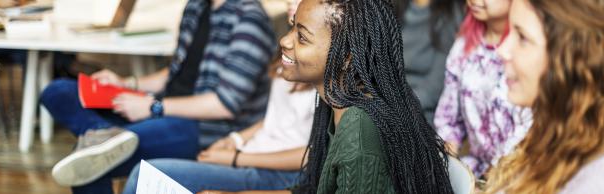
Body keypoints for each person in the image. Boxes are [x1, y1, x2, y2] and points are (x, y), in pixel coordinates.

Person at [202, 0, 454, 193]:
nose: (284, 41)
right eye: (292, 28)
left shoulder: (359, 133)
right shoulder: (336, 102)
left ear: (347, 57)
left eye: (302, 37)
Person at [39, 0, 276, 193]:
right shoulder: (196, 6)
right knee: (58, 92)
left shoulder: (249, 20)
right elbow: (174, 72)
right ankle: (104, 135)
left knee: (86, 163)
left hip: (205, 127)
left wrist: (153, 107)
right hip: (161, 106)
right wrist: (128, 83)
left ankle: (103, 140)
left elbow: (225, 104)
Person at [122, 58, 316, 193]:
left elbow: (314, 153)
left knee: (143, 175)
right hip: (250, 152)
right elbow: (277, 119)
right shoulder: (291, 50)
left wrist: (235, 158)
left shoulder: (326, 79)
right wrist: (234, 139)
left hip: (277, 173)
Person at [485, 0, 604, 193]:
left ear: (572, 59)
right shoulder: (552, 131)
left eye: (522, 37)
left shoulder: (597, 181)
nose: (502, 50)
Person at [433, 0, 532, 177]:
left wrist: (494, 178)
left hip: (517, 172)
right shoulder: (464, 45)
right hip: (475, 170)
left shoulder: (526, 54)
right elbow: (448, 119)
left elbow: (530, 129)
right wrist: (448, 165)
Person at [398, 0, 465, 126]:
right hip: (385, 98)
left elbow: (434, 87)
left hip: (419, 111)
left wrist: (396, 107)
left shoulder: (449, 14)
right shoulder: (394, 6)